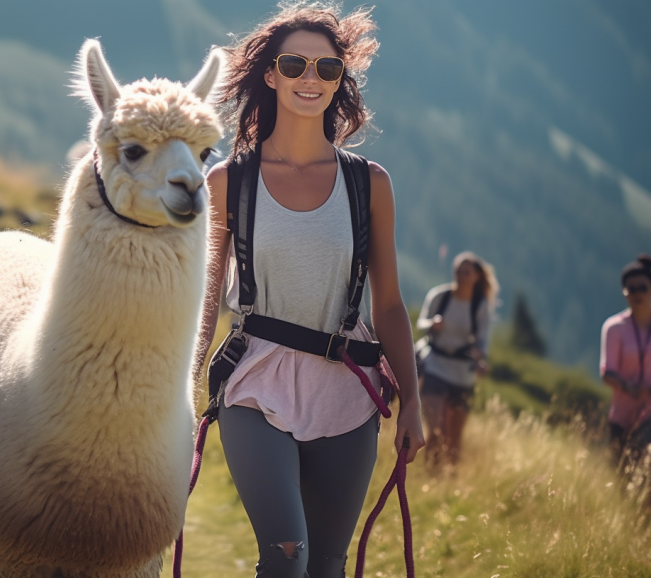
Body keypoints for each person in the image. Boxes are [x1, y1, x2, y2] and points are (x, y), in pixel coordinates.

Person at [196, 4, 424, 576]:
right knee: (287, 554)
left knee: (326, 564)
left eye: (326, 69)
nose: (310, 78)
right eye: (295, 63)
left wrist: (415, 400)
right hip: (255, 385)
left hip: (347, 391)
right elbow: (203, 303)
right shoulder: (227, 182)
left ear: (339, 81)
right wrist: (181, 390)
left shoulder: (369, 184)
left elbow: (389, 305)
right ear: (269, 74)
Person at [600, 254, 651, 513]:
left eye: (642, 287)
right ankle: (629, 524)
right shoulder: (614, 327)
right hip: (622, 415)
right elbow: (608, 372)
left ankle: (645, 522)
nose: (637, 293)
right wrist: (632, 389)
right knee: (624, 478)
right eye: (631, 288)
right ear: (624, 292)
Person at [415, 252, 498, 471]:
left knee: (454, 437)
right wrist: (433, 323)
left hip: (463, 375)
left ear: (477, 277)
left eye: (466, 272)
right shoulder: (440, 296)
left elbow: (483, 341)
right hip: (435, 366)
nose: (461, 276)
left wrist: (481, 357)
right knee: (435, 430)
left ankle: (449, 484)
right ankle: (431, 478)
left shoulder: (479, 307)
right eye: (458, 271)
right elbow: (421, 323)